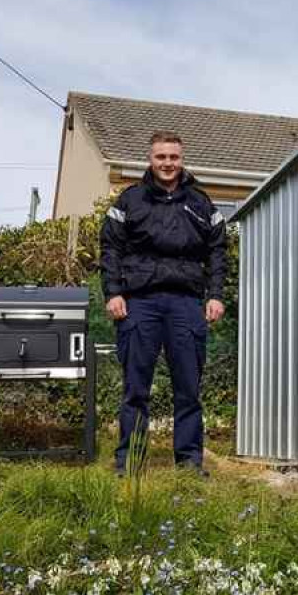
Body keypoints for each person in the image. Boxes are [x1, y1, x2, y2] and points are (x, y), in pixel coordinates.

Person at [100, 131, 227, 477]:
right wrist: (113, 292)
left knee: (188, 388)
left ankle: (189, 465)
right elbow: (110, 248)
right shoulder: (130, 201)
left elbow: (217, 251)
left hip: (187, 304)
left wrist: (215, 295)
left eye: (173, 157)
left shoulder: (202, 204)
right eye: (161, 157)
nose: (168, 164)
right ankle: (131, 463)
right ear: (150, 160)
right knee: (135, 388)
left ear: (181, 159)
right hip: (139, 303)